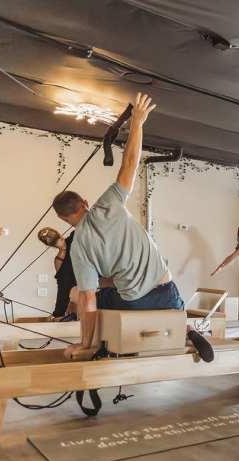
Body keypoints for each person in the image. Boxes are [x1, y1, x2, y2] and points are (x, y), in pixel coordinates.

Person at [52, 93, 184, 360]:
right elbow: (130, 164)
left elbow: (88, 299)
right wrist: (138, 122)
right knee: (106, 281)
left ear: (65, 219)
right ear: (85, 203)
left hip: (136, 304)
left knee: (77, 291)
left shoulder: (79, 247)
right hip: (169, 296)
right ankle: (186, 328)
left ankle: (102, 341)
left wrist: (85, 344)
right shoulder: (107, 204)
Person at [37, 227, 76, 318]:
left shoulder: (75, 236)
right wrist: (58, 313)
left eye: (61, 240)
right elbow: (63, 286)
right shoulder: (59, 260)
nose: (62, 245)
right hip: (79, 288)